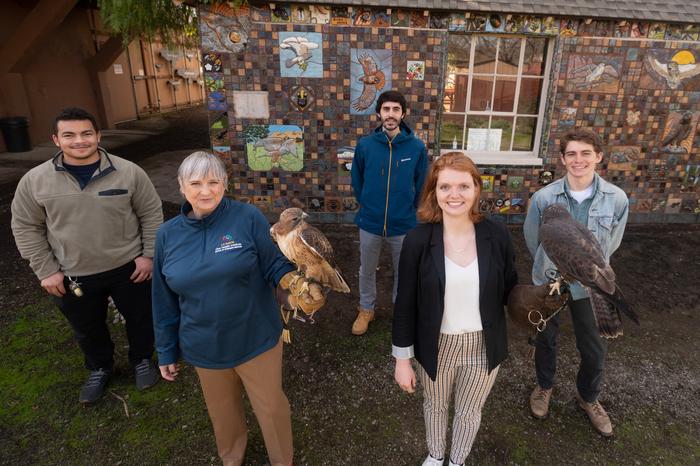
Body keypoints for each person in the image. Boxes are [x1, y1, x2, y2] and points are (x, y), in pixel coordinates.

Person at [152, 152, 324, 466]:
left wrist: (294, 285)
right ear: (181, 187)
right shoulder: (167, 236)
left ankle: (282, 460)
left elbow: (273, 263)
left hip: (254, 335)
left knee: (271, 408)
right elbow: (162, 299)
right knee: (222, 412)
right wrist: (166, 350)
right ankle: (232, 458)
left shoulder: (247, 217)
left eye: (213, 182)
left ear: (225, 184)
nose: (205, 191)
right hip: (204, 343)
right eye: (196, 183)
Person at [11, 107, 163, 404]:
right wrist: (45, 270)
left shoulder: (129, 172)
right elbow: (25, 226)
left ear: (98, 136)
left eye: (86, 134)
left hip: (130, 267)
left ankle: (142, 360)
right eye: (69, 135)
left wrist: (149, 256)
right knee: (87, 327)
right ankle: (100, 367)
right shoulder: (35, 181)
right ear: (56, 139)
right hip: (71, 273)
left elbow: (151, 214)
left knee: (141, 318)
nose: (79, 141)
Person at [392, 152, 518, 466]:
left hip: (483, 344)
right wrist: (402, 360)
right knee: (435, 406)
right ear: (434, 192)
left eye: (463, 186)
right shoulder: (418, 240)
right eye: (445, 187)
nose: (454, 195)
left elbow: (511, 289)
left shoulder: (497, 235)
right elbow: (404, 304)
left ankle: (457, 460)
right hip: (436, 344)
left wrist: (538, 302)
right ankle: (436, 457)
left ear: (477, 189)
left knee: (469, 411)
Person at [523, 128, 629, 437]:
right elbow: (534, 241)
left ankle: (589, 397)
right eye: (572, 153)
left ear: (598, 157)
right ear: (563, 159)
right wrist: (553, 270)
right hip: (550, 281)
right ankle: (544, 387)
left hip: (591, 287)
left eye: (586, 153)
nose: (578, 160)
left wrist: (592, 275)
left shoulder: (617, 199)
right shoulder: (544, 198)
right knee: (545, 339)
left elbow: (611, 244)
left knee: (594, 347)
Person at [350, 90, 428, 335]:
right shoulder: (365, 146)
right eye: (386, 109)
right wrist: (367, 203)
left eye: (396, 109)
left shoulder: (416, 147)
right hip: (370, 221)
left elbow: (422, 182)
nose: (391, 114)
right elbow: (357, 179)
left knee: (403, 271)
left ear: (403, 114)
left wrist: (410, 209)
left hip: (402, 223)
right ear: (378, 113)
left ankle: (401, 310)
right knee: (366, 269)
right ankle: (366, 309)